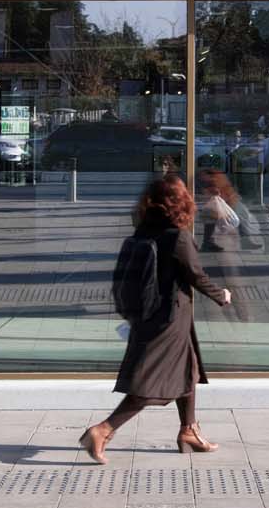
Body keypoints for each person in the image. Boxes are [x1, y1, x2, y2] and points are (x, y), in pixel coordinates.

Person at [80, 175, 233, 463]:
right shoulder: (178, 237)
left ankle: (189, 430)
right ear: (180, 203)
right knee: (151, 382)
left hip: (151, 315)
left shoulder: (144, 231)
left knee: (188, 371)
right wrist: (221, 295)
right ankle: (103, 430)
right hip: (169, 320)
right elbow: (196, 275)